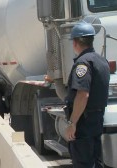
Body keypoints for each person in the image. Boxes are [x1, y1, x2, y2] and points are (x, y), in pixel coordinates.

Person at [65, 22, 110, 168]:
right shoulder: (101, 61)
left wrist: (72, 123)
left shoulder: (83, 63)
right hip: (96, 120)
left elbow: (83, 95)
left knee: (83, 162)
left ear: (76, 42)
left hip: (84, 123)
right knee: (95, 161)